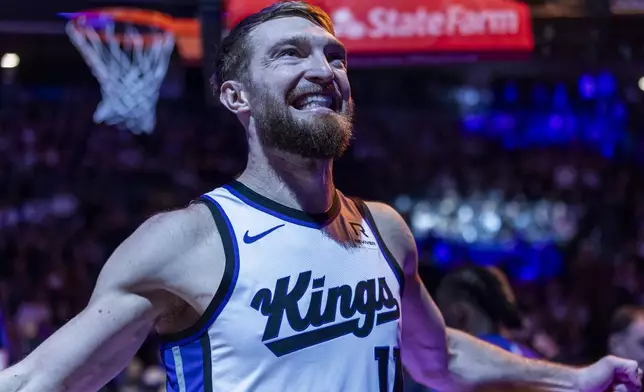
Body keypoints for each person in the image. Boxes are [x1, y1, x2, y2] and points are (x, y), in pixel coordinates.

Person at [0, 2, 641, 391]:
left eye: (333, 56)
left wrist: (573, 378)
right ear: (236, 96)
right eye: (290, 54)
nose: (323, 69)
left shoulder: (386, 231)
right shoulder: (186, 241)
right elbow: (42, 379)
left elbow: (438, 355)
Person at [435, 265, 541, 358]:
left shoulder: (454, 363)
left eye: (441, 308)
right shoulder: (531, 359)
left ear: (460, 313)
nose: (440, 317)